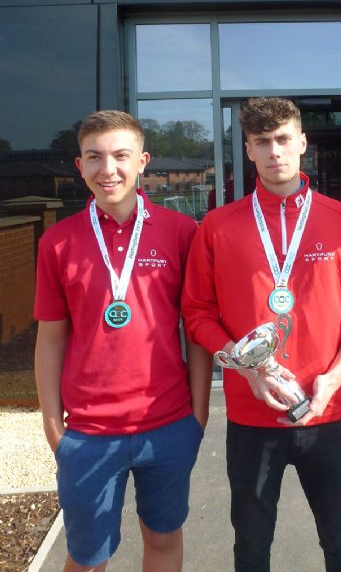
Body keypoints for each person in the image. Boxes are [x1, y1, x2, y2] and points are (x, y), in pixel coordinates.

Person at [182, 96, 341, 572]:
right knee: (251, 546)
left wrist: (336, 375)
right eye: (262, 142)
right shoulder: (218, 227)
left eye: (284, 139)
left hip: (328, 410)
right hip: (252, 418)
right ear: (248, 150)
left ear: (303, 143)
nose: (275, 152)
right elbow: (198, 313)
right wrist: (244, 368)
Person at [34, 110, 213, 572]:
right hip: (89, 434)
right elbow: (50, 340)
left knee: (162, 540)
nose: (107, 168)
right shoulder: (57, 242)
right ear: (79, 166)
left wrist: (198, 414)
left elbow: (195, 331)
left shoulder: (180, 232)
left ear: (142, 162)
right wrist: (55, 429)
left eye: (120, 156)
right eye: (94, 157)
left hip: (168, 426)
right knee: (88, 558)